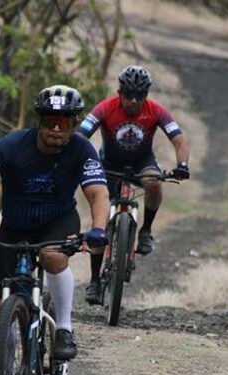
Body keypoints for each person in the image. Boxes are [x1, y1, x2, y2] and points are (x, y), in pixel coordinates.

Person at [0, 85, 110, 360]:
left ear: (73, 125)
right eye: (49, 121)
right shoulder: (12, 145)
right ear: (38, 121)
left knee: (52, 257)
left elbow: (98, 193)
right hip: (15, 225)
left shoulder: (82, 149)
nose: (56, 128)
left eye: (63, 122)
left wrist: (99, 229)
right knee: (0, 311)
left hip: (59, 221)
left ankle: (64, 327)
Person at [78, 65, 191, 305]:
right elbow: (82, 135)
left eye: (140, 96)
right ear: (119, 92)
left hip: (142, 163)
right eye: (128, 94)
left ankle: (146, 230)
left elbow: (179, 139)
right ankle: (95, 281)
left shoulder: (156, 111)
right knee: (99, 221)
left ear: (146, 95)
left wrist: (182, 164)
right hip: (109, 164)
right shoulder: (105, 108)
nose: (133, 100)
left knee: (153, 181)